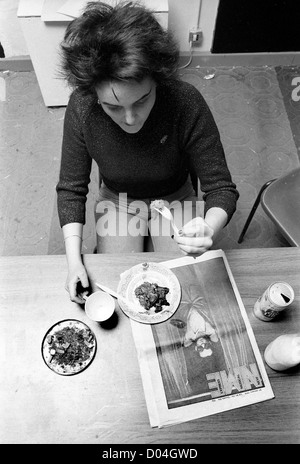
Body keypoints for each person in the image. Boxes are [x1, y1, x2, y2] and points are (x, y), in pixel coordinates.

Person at [56, 1, 239, 304]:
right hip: (118, 200)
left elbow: (221, 189)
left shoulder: (185, 101)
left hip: (175, 197)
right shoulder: (82, 106)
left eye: (141, 100)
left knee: (182, 289)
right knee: (121, 285)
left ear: (158, 78)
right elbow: (71, 189)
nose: (130, 119)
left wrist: (209, 225)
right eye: (113, 107)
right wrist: (73, 261)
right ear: (93, 95)